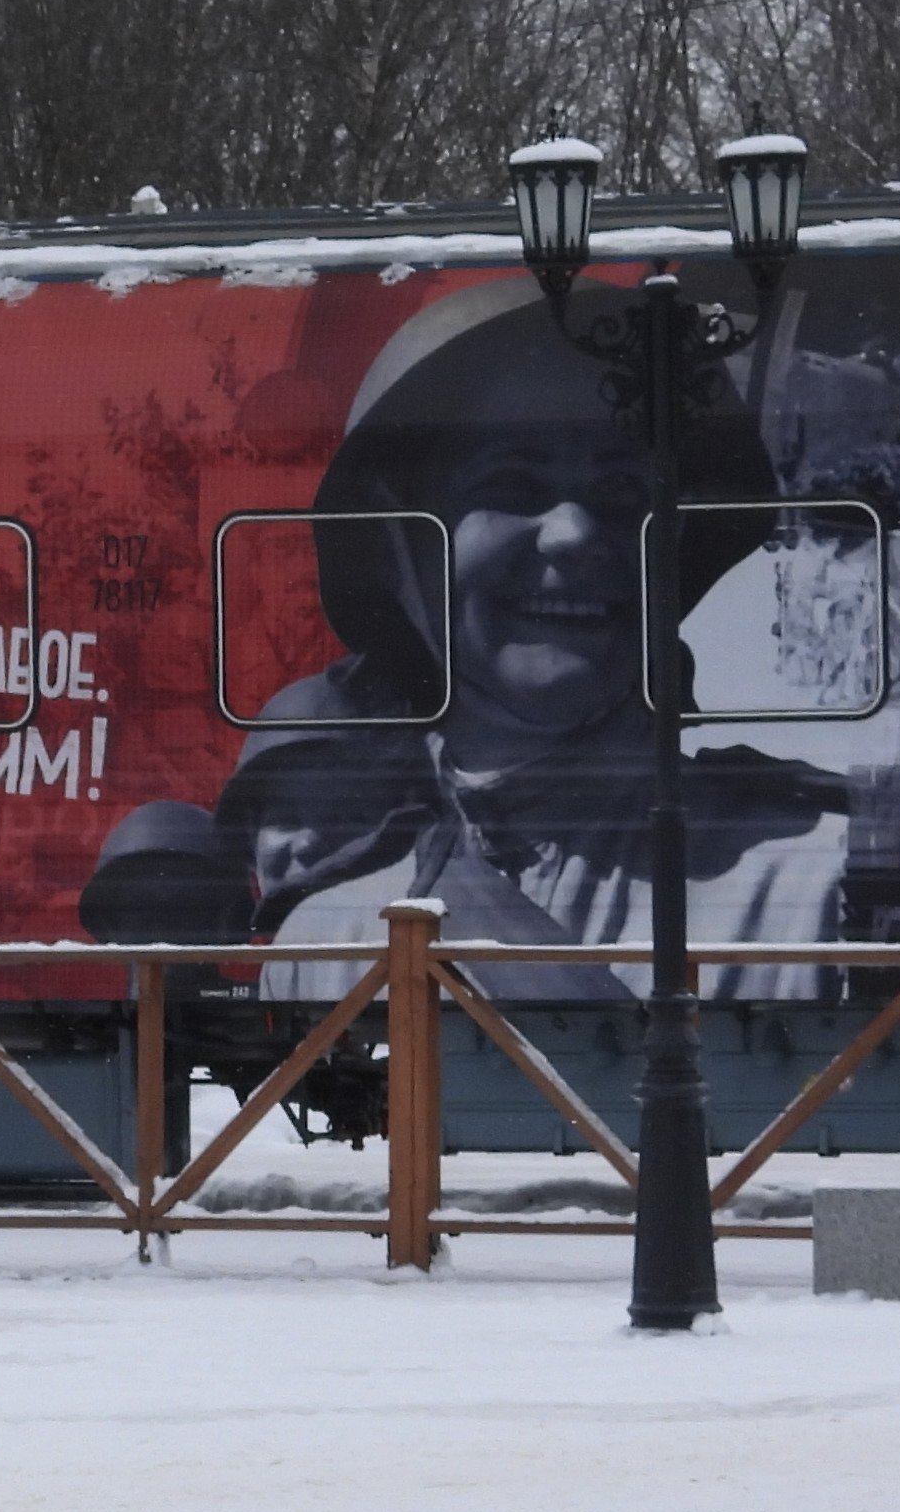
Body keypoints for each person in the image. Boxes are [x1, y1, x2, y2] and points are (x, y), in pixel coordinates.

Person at [83, 285, 846, 1001]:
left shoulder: (820, 895)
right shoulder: (327, 947)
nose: (576, 534)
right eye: (510, 486)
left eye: (624, 495)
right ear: (393, 541)